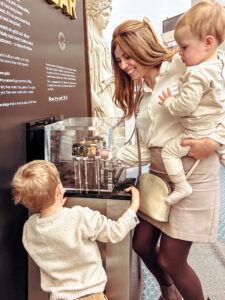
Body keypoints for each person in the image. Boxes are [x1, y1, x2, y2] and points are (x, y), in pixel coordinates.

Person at [111, 13, 225, 300]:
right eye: (119, 60)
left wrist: (214, 140)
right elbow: (145, 147)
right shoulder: (144, 95)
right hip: (160, 176)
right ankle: (167, 291)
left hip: (193, 176)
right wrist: (108, 155)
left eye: (127, 57)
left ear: (142, 47)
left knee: (171, 260)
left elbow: (220, 101)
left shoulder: (181, 67)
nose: (124, 66)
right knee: (142, 243)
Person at [11, 160, 140, 300]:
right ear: (59, 191)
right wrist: (134, 207)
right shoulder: (79, 216)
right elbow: (115, 232)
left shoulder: (29, 228)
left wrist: (54, 205)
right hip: (91, 296)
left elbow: (55, 237)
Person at [158, 0, 225, 205]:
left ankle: (181, 185)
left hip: (196, 132)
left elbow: (185, 106)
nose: (180, 52)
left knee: (168, 152)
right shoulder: (220, 65)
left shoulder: (196, 73)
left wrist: (169, 102)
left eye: (184, 46)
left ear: (208, 42)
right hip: (216, 128)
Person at [86, 0, 117, 118]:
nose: (108, 19)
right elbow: (85, 69)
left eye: (109, 15)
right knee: (106, 122)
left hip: (109, 86)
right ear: (94, 14)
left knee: (112, 123)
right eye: (104, 14)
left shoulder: (102, 39)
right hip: (99, 89)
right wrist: (92, 95)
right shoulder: (89, 38)